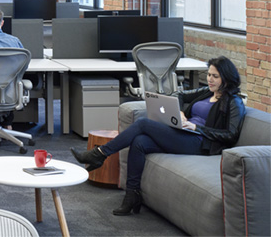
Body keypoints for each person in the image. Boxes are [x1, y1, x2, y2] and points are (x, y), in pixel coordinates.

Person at [71, 55, 245, 216]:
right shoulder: (207, 92)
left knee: (143, 124)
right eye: (208, 75)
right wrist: (181, 112)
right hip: (185, 134)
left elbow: (231, 135)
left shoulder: (233, 101)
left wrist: (196, 127)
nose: (209, 79)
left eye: (215, 76)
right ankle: (132, 195)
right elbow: (178, 94)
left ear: (226, 78)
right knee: (139, 142)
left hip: (200, 143)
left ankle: (100, 154)